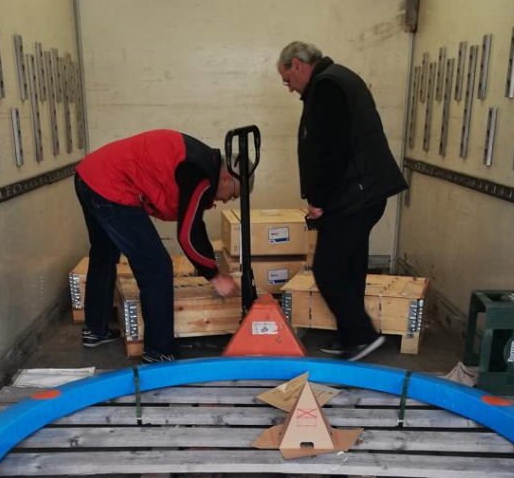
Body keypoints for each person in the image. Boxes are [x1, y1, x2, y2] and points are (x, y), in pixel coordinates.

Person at [277, 41, 407, 361]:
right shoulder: (336, 79)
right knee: (350, 265)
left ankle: (363, 336)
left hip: (354, 195)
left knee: (327, 269)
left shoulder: (327, 87)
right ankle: (351, 336)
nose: (289, 88)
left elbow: (329, 150)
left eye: (287, 79)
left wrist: (318, 199)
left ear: (297, 65)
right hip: (363, 193)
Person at [74, 129, 239, 362]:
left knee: (105, 252)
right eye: (232, 195)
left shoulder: (200, 162)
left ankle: (95, 329)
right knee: (157, 266)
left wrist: (210, 266)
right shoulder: (200, 174)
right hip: (111, 186)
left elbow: (194, 223)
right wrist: (214, 276)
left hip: (89, 175)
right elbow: (188, 234)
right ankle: (158, 351)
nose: (225, 200)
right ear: (226, 178)